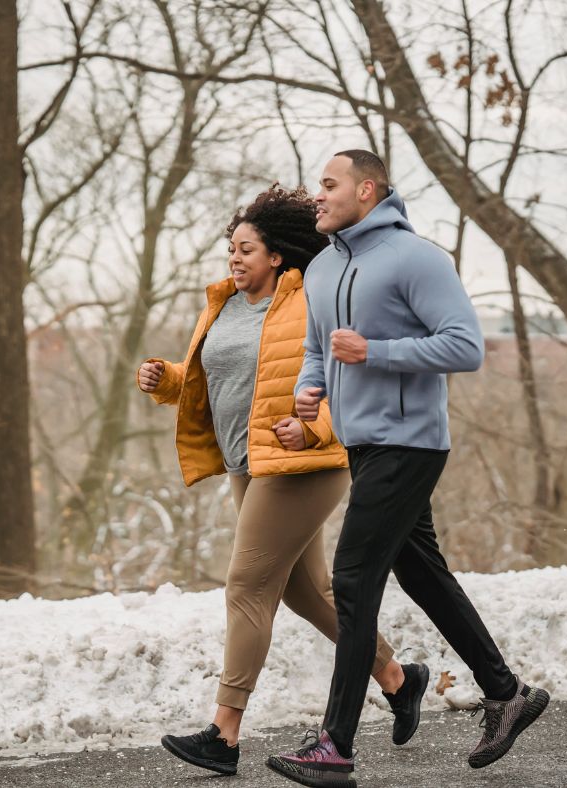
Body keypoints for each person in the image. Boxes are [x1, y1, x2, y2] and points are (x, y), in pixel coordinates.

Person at [266, 152, 549, 788]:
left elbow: (465, 345)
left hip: (411, 441)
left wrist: (375, 352)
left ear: (367, 191)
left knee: (354, 577)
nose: (319, 195)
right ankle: (507, 693)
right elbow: (319, 347)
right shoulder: (324, 266)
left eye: (330, 185)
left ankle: (335, 746)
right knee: (421, 572)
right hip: (361, 442)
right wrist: (311, 391)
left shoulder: (416, 257)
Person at [137, 185, 422, 778]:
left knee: (246, 586)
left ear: (276, 255)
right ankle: (397, 678)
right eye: (231, 250)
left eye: (246, 249)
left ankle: (224, 732)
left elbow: (342, 380)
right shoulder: (222, 306)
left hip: (305, 465)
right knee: (305, 593)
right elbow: (214, 376)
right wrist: (166, 378)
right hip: (251, 464)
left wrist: (314, 431)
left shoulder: (307, 304)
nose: (235, 259)